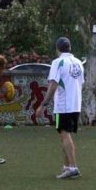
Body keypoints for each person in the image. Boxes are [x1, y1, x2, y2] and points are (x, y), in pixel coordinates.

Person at [36, 37, 85, 179]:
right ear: (70, 48)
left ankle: (73, 167)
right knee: (64, 135)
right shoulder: (78, 63)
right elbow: (81, 83)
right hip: (75, 104)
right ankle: (67, 167)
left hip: (63, 106)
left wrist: (43, 105)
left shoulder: (58, 62)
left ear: (57, 48)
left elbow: (53, 84)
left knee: (64, 134)